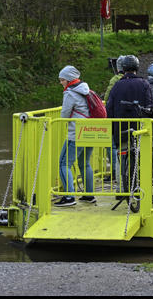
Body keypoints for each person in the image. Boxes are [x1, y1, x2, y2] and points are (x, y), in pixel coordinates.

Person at [106, 55, 153, 198]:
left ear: (123, 69)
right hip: (141, 128)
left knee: (121, 157)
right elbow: (150, 105)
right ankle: (141, 188)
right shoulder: (144, 83)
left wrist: (111, 125)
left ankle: (121, 190)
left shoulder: (117, 85)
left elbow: (109, 108)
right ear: (137, 68)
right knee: (141, 157)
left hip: (121, 127)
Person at [56, 65, 95, 207]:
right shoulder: (86, 90)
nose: (61, 83)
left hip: (76, 133)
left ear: (68, 79)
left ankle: (69, 197)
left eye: (62, 80)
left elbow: (64, 114)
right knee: (85, 163)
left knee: (63, 163)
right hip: (90, 131)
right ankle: (89, 195)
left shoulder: (70, 93)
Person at [103, 55, 126, 183]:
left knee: (111, 145)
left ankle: (114, 172)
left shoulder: (115, 80)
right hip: (131, 117)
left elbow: (107, 98)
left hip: (116, 117)